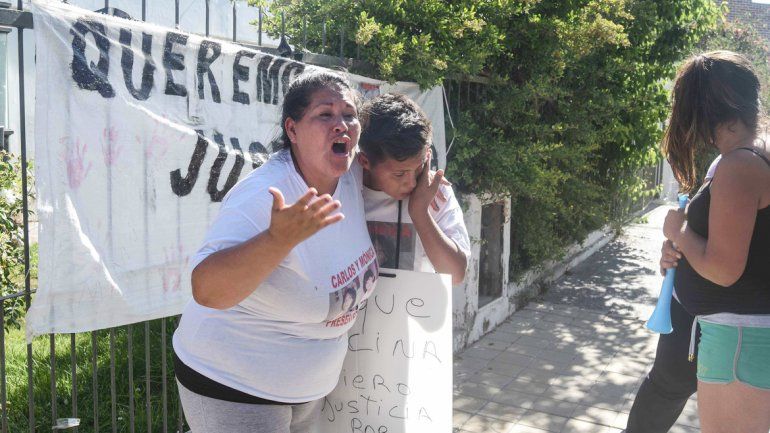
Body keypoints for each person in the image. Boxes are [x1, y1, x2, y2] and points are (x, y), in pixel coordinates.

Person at [172, 70, 378, 433]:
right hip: (233, 386)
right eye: (325, 114)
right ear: (293, 130)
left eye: (349, 114)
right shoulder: (264, 196)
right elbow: (206, 290)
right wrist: (276, 240)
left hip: (307, 390)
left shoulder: (350, 177)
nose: (341, 124)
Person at [660, 51, 770, 433]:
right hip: (747, 340)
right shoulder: (758, 153)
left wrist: (679, 233)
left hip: (739, 345)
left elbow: (724, 269)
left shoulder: (740, 165)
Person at [624, 155, 720, 433]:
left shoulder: (746, 162)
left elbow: (726, 263)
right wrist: (675, 248)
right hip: (690, 313)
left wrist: (680, 233)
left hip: (719, 318)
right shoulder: (724, 160)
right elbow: (700, 229)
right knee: (664, 389)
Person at [357, 93, 470, 285]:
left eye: (418, 168)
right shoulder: (342, 184)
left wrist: (420, 212)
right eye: (399, 174)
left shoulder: (434, 192)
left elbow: (456, 275)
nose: (411, 183)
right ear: (365, 161)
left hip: (413, 312)